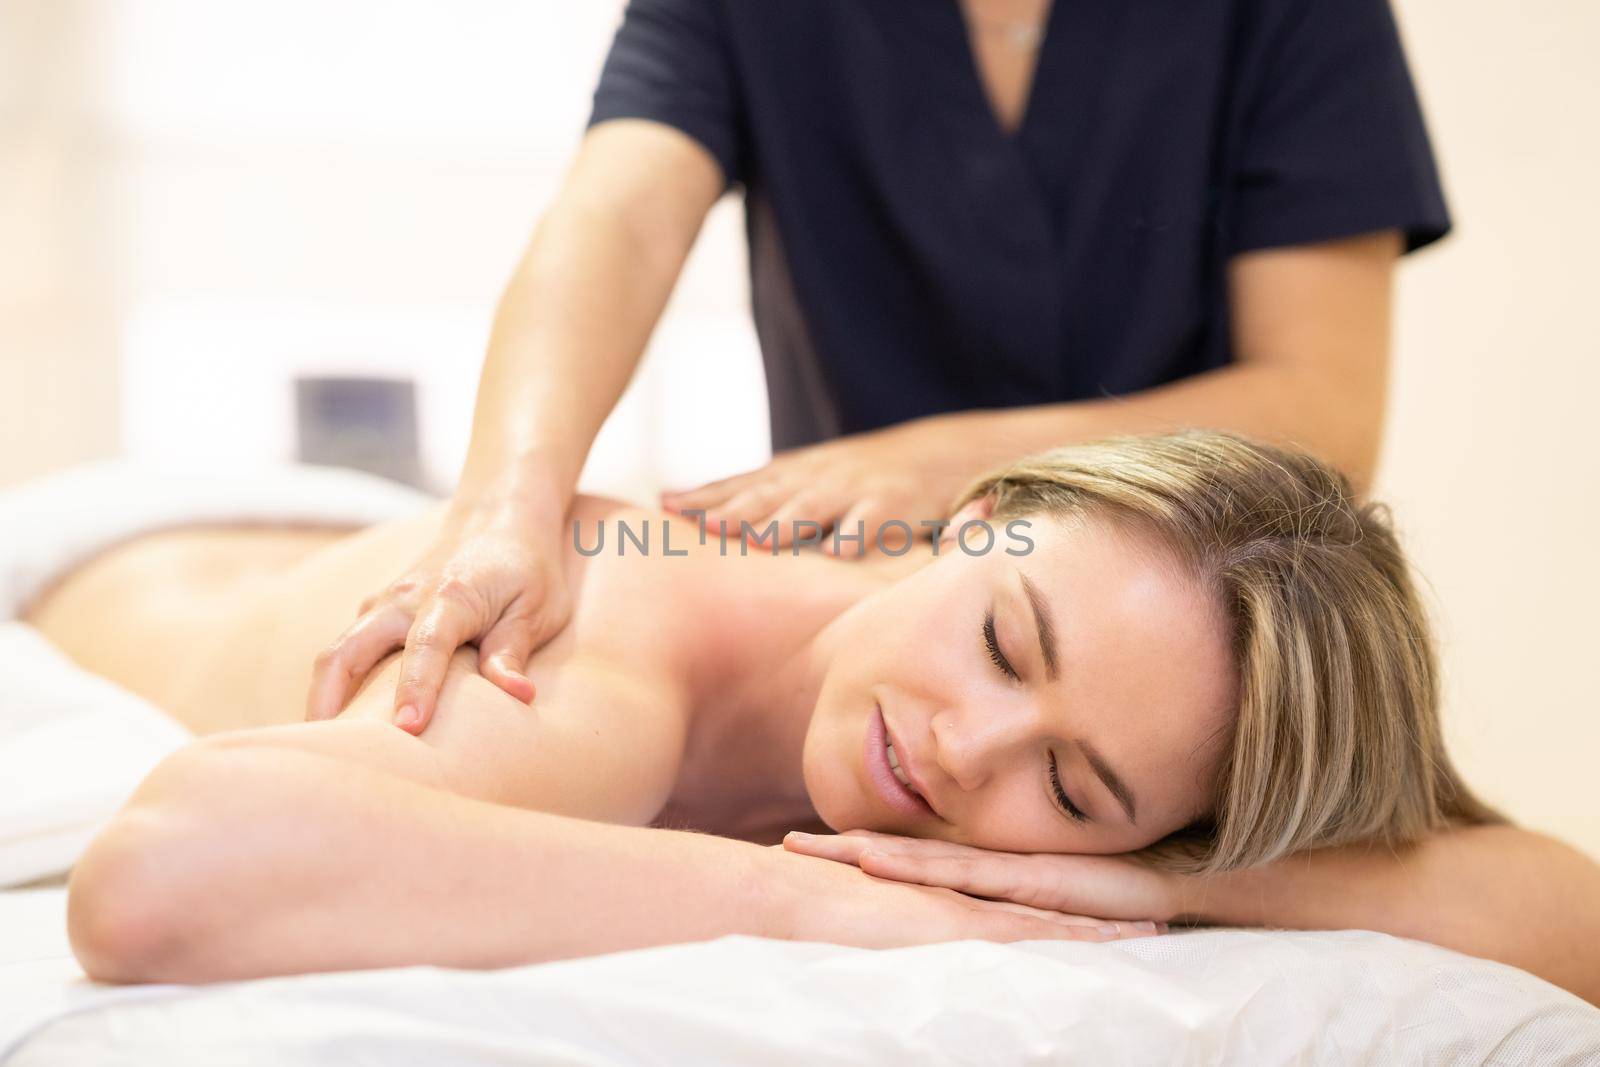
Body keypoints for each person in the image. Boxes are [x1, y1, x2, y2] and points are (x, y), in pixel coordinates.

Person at [35, 430, 1598, 1002]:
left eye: (1074, 786)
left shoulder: (1130, 812)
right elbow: (162, 870)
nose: (962, 751)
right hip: (85, 559)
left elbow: (1566, 915)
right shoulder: (611, 652)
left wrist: (1173, 881)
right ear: (971, 519)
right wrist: (827, 903)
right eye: (1003, 638)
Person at [306, 0, 1452, 736]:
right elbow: (616, 218)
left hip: (1172, 686)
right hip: (829, 590)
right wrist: (508, 503)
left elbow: (1319, 412)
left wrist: (946, 458)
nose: (971, 750)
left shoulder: (1294, 20)